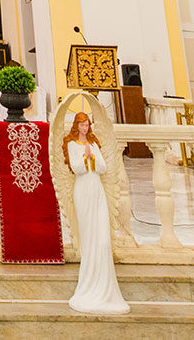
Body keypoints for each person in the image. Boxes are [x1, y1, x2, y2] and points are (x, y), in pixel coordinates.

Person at [63, 111, 128, 315]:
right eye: (82, 125)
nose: (85, 128)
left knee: (102, 237)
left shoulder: (94, 143)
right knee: (89, 234)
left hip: (97, 189)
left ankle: (104, 281)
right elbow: (76, 168)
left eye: (87, 125)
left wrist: (93, 155)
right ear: (76, 126)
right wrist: (86, 156)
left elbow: (102, 167)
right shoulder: (73, 145)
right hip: (83, 190)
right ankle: (89, 278)